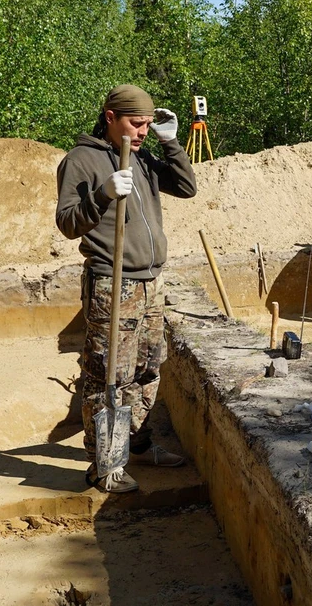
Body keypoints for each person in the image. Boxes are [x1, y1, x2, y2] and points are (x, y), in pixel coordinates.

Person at [56, 84, 197, 493]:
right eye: (136, 124)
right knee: (108, 375)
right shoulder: (81, 161)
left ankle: (135, 442)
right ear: (110, 117)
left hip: (151, 283)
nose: (142, 132)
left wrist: (171, 143)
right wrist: (101, 195)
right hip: (112, 285)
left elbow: (186, 187)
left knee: (149, 367)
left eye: (149, 125)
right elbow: (67, 223)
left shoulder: (142, 157)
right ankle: (104, 464)